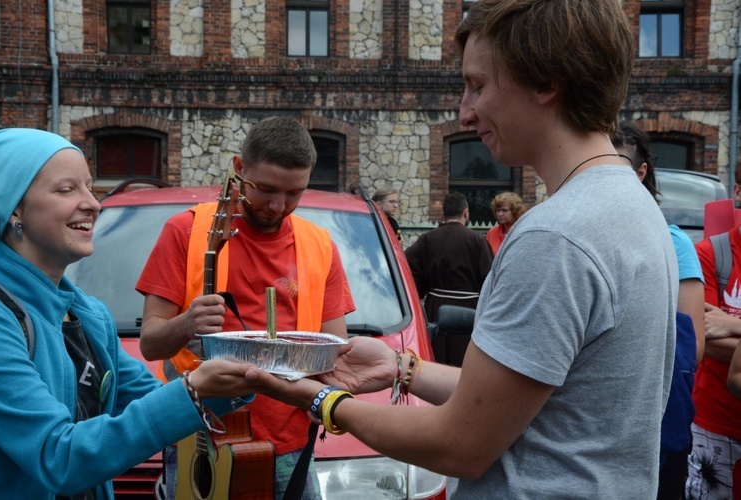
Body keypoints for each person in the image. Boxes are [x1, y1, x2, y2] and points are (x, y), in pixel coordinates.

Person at [242, 1, 677, 497]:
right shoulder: (630, 205)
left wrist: (321, 399)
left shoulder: (555, 237)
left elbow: (460, 445)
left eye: (478, 85)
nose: (464, 111)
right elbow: (536, 402)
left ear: (546, 82)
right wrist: (403, 369)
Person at [0, 128, 257, 499]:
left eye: (89, 186)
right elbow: (58, 456)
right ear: (14, 207)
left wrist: (256, 369)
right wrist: (193, 390)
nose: (93, 204)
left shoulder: (89, 315)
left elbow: (154, 401)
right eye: (66, 190)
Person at [136, 116, 354, 499]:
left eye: (294, 193)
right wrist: (188, 322)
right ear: (239, 168)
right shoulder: (185, 230)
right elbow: (151, 344)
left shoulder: (320, 246)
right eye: (266, 188)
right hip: (199, 438)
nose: (277, 205)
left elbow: (334, 351)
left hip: (290, 445)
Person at [612, 121, 706, 500]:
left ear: (641, 172)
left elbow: (692, 346)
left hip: (657, 420)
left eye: (618, 167)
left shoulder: (674, 242)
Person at [688, 164, 741, 499]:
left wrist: (735, 325)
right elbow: (705, 341)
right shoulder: (709, 253)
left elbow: (723, 338)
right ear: (738, 192)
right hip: (716, 423)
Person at [405, 191, 492, 323]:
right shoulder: (478, 240)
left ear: (443, 215)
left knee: (436, 343)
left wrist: (421, 290)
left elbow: (407, 265)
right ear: (466, 213)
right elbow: (489, 277)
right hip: (469, 311)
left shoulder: (427, 239)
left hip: (435, 308)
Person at [484, 191, 526, 256]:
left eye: (504, 210)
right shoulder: (492, 232)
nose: (500, 214)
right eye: (498, 210)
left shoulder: (523, 231)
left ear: (515, 211)